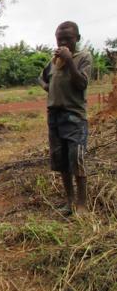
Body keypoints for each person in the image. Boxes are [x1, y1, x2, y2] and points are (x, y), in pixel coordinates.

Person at [39, 21, 92, 215]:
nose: (62, 42)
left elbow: (81, 84)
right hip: (54, 116)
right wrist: (49, 88)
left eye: (67, 39)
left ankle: (82, 204)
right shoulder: (53, 61)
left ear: (77, 38)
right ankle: (69, 202)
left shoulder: (83, 57)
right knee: (61, 162)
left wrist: (69, 60)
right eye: (59, 39)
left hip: (74, 117)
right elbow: (42, 77)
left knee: (76, 159)